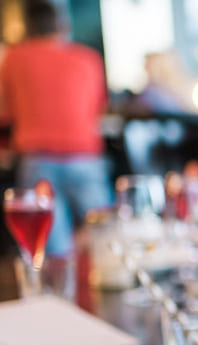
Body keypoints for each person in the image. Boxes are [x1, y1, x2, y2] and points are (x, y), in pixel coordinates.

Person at [0, 1, 111, 257]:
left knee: (53, 253)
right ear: (62, 25)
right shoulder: (88, 58)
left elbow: (5, 112)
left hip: (39, 160)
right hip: (86, 157)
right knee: (107, 243)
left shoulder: (14, 58)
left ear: (27, 26)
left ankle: (60, 293)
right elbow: (98, 110)